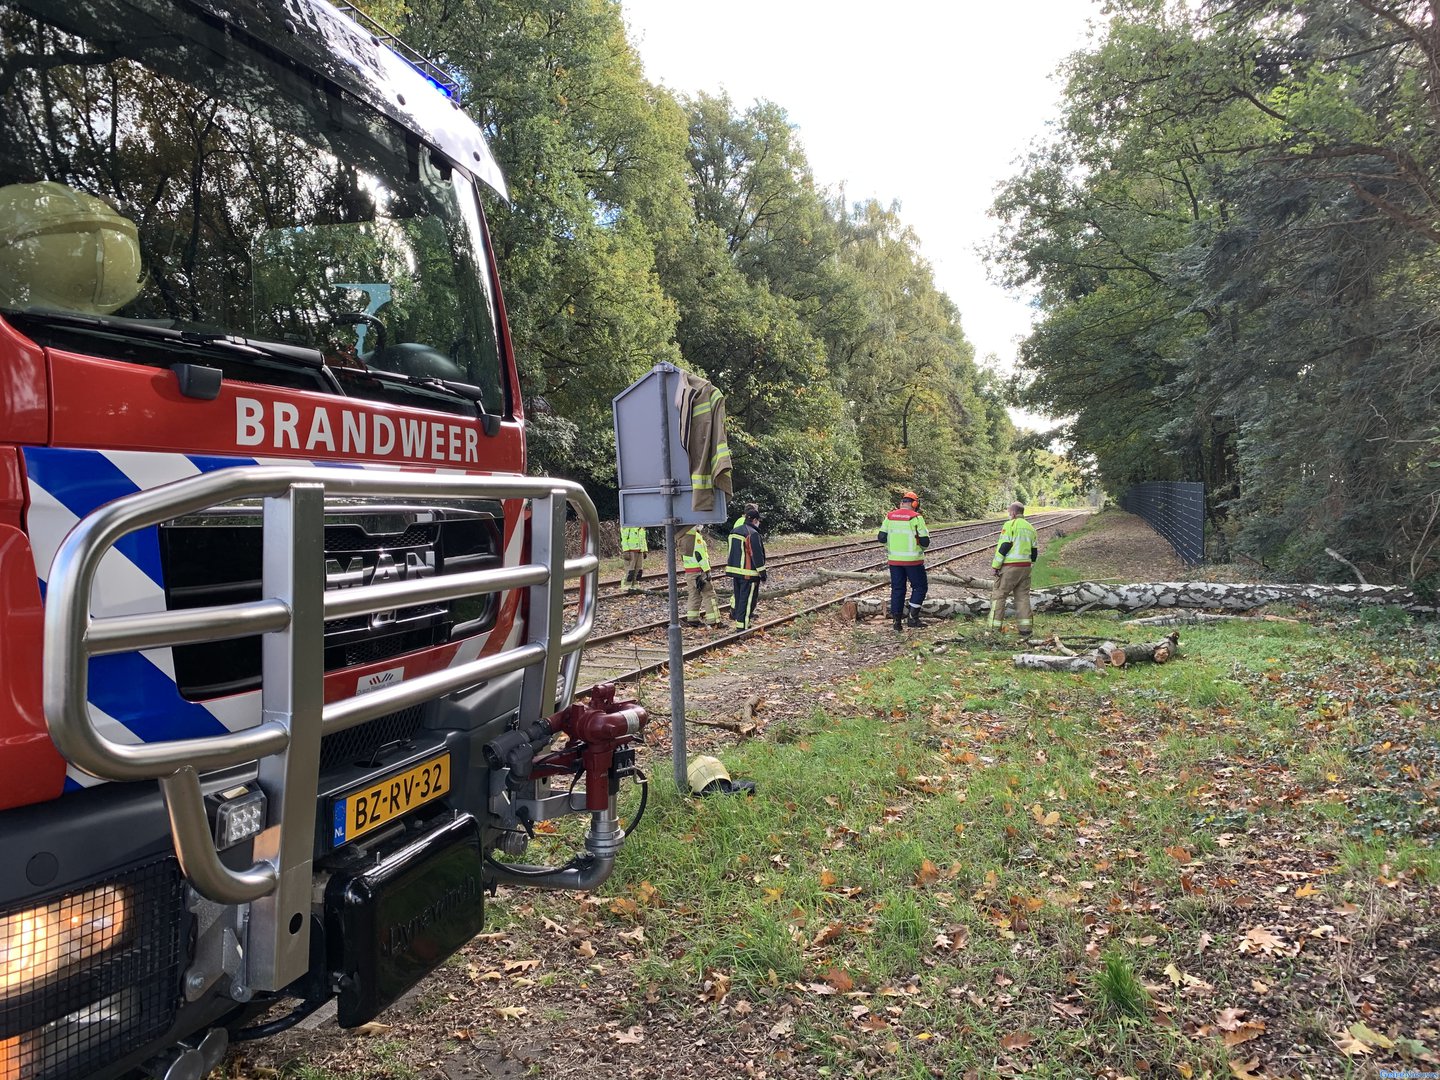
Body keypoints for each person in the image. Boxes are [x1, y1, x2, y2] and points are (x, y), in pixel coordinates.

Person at [877, 491, 930, 630]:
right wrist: (920, 549)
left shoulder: (890, 516)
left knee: (897, 589)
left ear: (901, 503)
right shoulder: (916, 518)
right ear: (914, 504)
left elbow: (881, 537)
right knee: (920, 587)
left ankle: (897, 622)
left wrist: (889, 547)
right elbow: (925, 541)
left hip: (894, 560)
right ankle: (913, 619)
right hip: (913, 560)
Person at [990, 501, 1040, 638]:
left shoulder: (1009, 525)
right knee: (1023, 597)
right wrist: (1031, 565)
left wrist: (995, 566)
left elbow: (1004, 547)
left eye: (1008, 512)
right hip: (1025, 567)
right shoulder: (1031, 528)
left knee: (999, 596)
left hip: (1010, 567)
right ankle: (1026, 630)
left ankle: (994, 630)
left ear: (1012, 513)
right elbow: (1034, 552)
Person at [726, 503, 767, 630]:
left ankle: (740, 624)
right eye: (758, 521)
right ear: (754, 520)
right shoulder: (752, 533)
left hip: (735, 571)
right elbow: (756, 554)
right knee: (748, 600)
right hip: (749, 573)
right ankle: (743, 626)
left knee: (739, 599)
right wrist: (762, 573)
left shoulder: (734, 531)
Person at [678, 524, 721, 627]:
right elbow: (700, 555)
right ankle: (714, 620)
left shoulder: (683, 537)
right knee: (709, 594)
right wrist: (707, 571)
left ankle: (692, 619)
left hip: (689, 572)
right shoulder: (695, 537)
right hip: (699, 571)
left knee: (694, 594)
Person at [619, 524, 647, 593]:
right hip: (630, 551)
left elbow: (643, 539)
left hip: (640, 551)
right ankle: (626, 586)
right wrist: (626, 551)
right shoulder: (627, 525)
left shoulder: (641, 527)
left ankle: (635, 586)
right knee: (630, 570)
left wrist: (645, 550)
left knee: (639, 570)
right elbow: (624, 538)